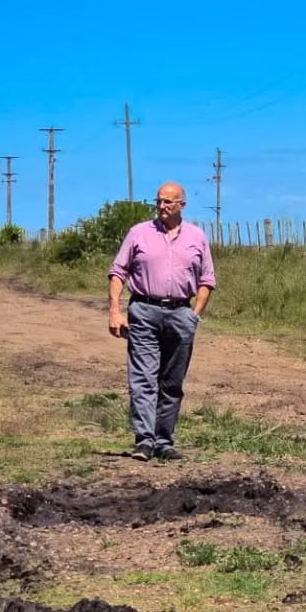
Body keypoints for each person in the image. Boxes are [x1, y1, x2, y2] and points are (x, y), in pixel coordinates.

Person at [108, 182, 216, 462]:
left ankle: (164, 441)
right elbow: (118, 272)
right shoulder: (139, 233)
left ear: (182, 205)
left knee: (172, 382)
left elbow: (207, 280)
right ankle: (144, 440)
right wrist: (115, 311)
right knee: (143, 378)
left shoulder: (197, 237)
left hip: (181, 313)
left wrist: (195, 315)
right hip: (144, 310)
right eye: (158, 201)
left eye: (168, 202)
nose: (162, 206)